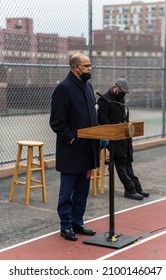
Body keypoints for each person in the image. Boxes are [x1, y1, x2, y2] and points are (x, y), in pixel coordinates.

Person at [50, 53, 100, 241]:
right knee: (68, 191)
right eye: (86, 66)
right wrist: (72, 139)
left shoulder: (88, 86)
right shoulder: (64, 88)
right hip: (72, 151)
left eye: (90, 66)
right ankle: (66, 226)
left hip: (88, 149)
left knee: (82, 190)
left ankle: (78, 222)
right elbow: (57, 122)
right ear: (74, 67)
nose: (90, 69)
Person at [97, 78, 149, 200]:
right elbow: (103, 120)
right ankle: (129, 189)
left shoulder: (121, 99)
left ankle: (137, 187)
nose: (123, 94)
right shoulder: (104, 100)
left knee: (128, 161)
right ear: (115, 88)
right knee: (121, 162)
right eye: (121, 91)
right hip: (113, 137)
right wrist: (115, 130)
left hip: (124, 135)